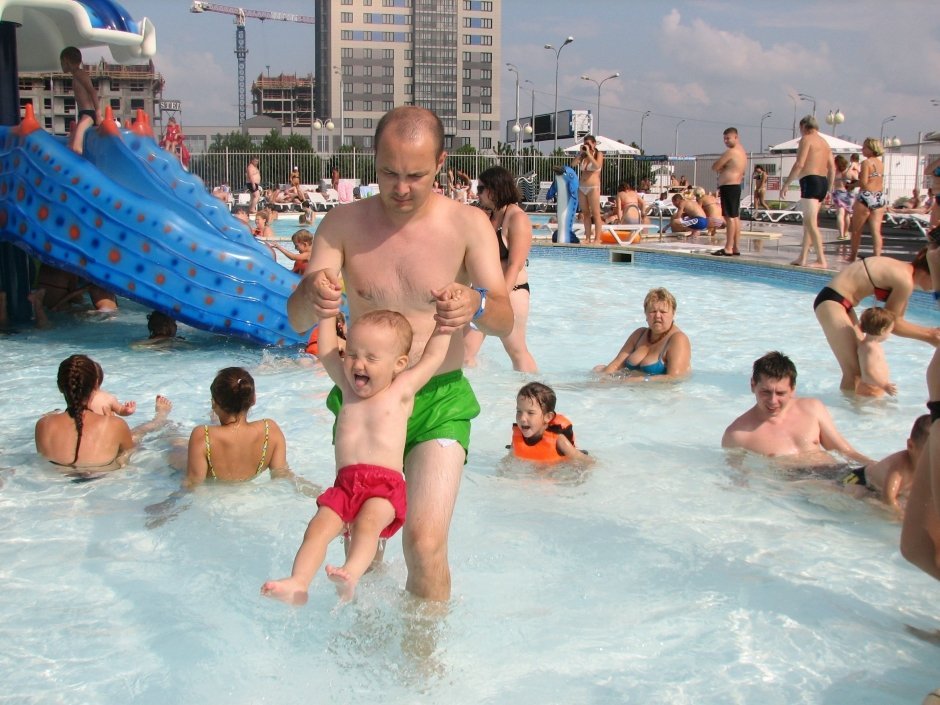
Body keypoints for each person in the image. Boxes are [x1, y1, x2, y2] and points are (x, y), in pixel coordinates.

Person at [286, 105, 512, 601]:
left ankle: (423, 665)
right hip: (363, 403)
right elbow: (300, 319)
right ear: (374, 161)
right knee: (359, 542)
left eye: (416, 175)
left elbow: (504, 319)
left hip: (438, 400)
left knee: (425, 543)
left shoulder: (469, 225)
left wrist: (475, 304)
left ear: (441, 164)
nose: (401, 188)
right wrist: (310, 296)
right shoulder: (342, 224)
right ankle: (364, 650)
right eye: (389, 173)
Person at [263, 308, 452, 604]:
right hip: (345, 486)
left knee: (367, 525)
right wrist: (326, 313)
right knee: (317, 528)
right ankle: (298, 582)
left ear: (399, 364)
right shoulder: (346, 388)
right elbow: (326, 351)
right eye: (351, 354)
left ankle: (350, 574)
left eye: (371, 358)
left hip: (383, 489)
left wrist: (445, 325)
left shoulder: (401, 391)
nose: (357, 364)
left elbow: (432, 358)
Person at [813, 249, 939, 391]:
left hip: (837, 301)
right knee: (854, 373)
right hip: (833, 303)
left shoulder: (901, 270)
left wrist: (930, 334)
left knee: (861, 369)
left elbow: (896, 320)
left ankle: (854, 408)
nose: (934, 287)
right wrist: (930, 336)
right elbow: (893, 324)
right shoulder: (905, 281)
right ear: (927, 272)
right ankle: (845, 410)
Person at [721, 351, 872, 467]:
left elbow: (845, 452)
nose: (773, 401)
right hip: (799, 491)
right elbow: (737, 483)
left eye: (780, 393)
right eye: (765, 392)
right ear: (753, 385)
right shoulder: (737, 435)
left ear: (792, 389)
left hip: (838, 474)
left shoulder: (812, 408)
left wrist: (875, 468)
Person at [35, 354, 171, 474]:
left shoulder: (43, 424)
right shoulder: (114, 424)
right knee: (136, 435)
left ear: (59, 386)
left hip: (58, 480)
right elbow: (129, 455)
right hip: (103, 478)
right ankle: (160, 418)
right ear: (96, 385)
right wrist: (111, 423)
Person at [462, 165, 538, 372]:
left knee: (516, 351)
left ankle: (537, 396)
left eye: (480, 188)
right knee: (465, 352)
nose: (477, 193)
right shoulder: (490, 215)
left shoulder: (517, 218)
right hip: (485, 295)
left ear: (494, 189)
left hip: (511, 293)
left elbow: (515, 264)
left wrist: (499, 299)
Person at [183, 367, 289, 488]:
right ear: (253, 400)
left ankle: (162, 419)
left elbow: (192, 485)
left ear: (213, 403)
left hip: (218, 495)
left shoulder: (202, 435)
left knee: (176, 444)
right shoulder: (270, 430)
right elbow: (281, 474)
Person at [593, 287, 691, 381]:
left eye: (663, 312)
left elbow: (676, 378)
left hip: (659, 393)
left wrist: (640, 380)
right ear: (646, 314)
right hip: (631, 387)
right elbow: (616, 364)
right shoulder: (639, 334)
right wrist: (603, 379)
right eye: (653, 311)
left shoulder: (678, 339)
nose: (657, 316)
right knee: (598, 369)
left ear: (673, 313)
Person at [842, 414, 929, 512]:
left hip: (878, 489)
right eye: (930, 452)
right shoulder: (900, 464)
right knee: (849, 495)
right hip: (859, 479)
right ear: (911, 446)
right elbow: (888, 498)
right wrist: (900, 517)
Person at [780, 115, 835, 268]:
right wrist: (829, 188)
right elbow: (832, 167)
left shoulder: (806, 139)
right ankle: (802, 257)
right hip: (822, 183)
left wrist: (787, 184)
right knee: (808, 223)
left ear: (804, 126)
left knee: (811, 223)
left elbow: (799, 164)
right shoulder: (825, 143)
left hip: (810, 181)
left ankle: (821, 260)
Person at [510, 382, 591, 465]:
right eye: (519, 411)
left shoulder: (558, 440)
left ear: (548, 417)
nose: (522, 418)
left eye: (530, 413)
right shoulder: (517, 436)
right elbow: (509, 458)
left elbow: (585, 460)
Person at [846, 138, 887, 262]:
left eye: (864, 147)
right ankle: (877, 257)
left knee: (856, 230)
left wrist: (852, 185)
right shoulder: (881, 164)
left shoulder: (866, 163)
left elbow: (864, 183)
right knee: (876, 230)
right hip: (879, 196)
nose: (862, 149)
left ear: (871, 149)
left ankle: (853, 255)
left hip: (866, 196)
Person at [710, 127, 746, 256]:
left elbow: (715, 166)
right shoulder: (742, 151)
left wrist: (722, 168)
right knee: (735, 217)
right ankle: (735, 247)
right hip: (735, 186)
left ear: (736, 137)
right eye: (724, 139)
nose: (725, 141)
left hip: (730, 187)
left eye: (728, 138)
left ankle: (728, 247)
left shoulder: (731, 152)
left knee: (730, 218)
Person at [59, 47, 99, 155]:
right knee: (71, 144)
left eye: (62, 62)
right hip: (84, 114)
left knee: (76, 147)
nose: (61, 65)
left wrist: (99, 114)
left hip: (88, 114)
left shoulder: (81, 74)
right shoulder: (76, 75)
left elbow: (93, 92)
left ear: (67, 61)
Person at [855, 306, 897, 397]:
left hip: (875, 387)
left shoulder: (870, 345)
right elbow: (869, 371)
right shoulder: (870, 348)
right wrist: (884, 385)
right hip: (870, 389)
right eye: (890, 331)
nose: (890, 334)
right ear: (882, 331)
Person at [572, 135, 604, 244]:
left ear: (594, 144)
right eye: (586, 143)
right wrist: (581, 153)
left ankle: (597, 238)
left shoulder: (598, 154)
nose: (588, 146)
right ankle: (587, 237)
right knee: (585, 213)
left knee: (595, 213)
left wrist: (590, 154)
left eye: (589, 144)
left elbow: (597, 166)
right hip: (582, 187)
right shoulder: (583, 156)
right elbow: (573, 164)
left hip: (593, 187)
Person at [830, 155, 855, 241]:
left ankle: (841, 234)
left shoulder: (835, 172)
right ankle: (846, 233)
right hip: (849, 194)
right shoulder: (848, 172)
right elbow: (856, 179)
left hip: (838, 193)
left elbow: (830, 183)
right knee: (847, 215)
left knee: (840, 214)